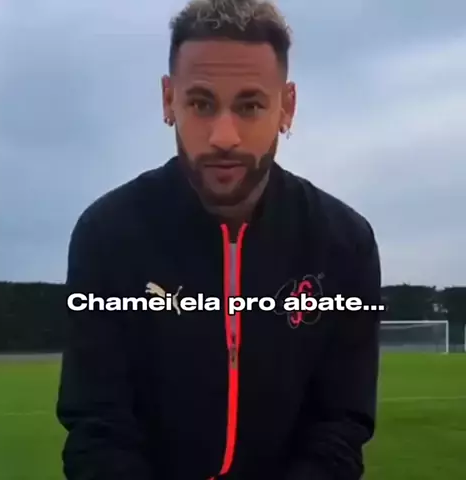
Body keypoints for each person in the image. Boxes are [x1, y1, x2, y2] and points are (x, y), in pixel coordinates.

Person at [56, 1, 382, 479]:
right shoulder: (106, 234)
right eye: (201, 103)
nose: (223, 136)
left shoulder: (344, 243)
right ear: (168, 100)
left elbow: (340, 425)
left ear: (286, 107)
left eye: (250, 105)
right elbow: (97, 426)